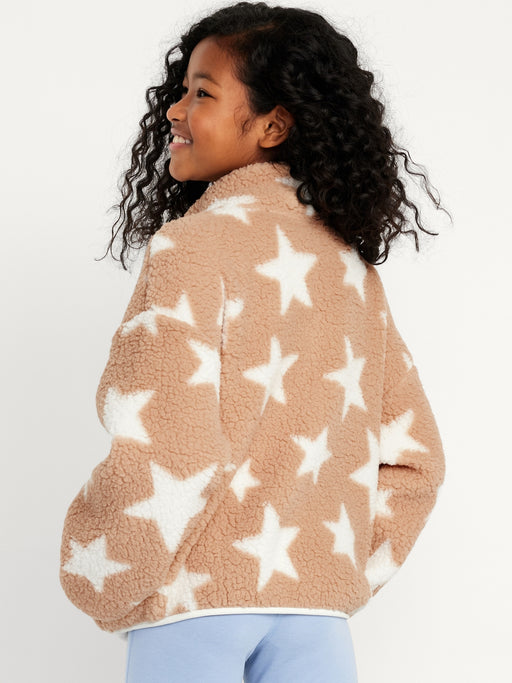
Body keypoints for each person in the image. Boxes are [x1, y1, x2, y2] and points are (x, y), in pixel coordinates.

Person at [59, 3, 450, 681]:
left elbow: (168, 446)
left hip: (194, 607)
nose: (176, 110)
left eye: (202, 93)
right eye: (182, 91)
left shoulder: (190, 248)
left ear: (274, 124)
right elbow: (418, 461)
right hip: (316, 616)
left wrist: (101, 571)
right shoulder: (350, 270)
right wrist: (335, 572)